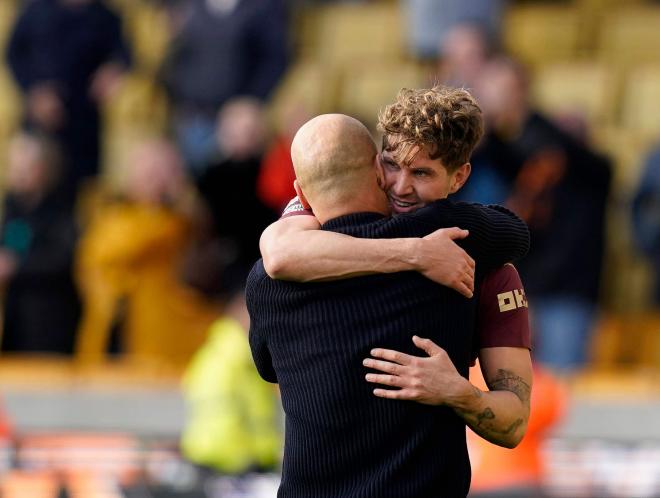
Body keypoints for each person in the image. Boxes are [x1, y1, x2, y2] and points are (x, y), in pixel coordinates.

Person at [248, 111, 530, 497]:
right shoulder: (452, 242)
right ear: (378, 171)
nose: (401, 185)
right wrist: (456, 391)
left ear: (299, 193)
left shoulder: (266, 281)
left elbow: (268, 369)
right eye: (393, 167)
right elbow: (515, 232)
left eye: (420, 173)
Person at [6, 0, 131, 197]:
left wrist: (112, 72)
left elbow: (124, 54)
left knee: (82, 189)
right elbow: (14, 54)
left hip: (84, 120)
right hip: (43, 118)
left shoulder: (103, 15)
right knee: (34, 183)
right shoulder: (37, 10)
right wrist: (34, 91)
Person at [0, 131, 81, 355]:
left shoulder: (61, 210)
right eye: (15, 167)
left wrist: (15, 267)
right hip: (14, 318)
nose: (19, 174)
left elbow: (63, 259)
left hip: (48, 321)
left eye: (27, 166)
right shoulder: (12, 208)